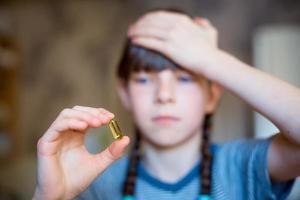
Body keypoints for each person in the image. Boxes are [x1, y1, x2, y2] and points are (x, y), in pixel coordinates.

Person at [32, 9, 300, 200]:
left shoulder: (243, 166)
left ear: (212, 95)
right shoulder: (94, 184)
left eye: (184, 78)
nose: (164, 94)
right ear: (125, 93)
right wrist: (49, 197)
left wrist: (213, 60)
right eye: (145, 80)